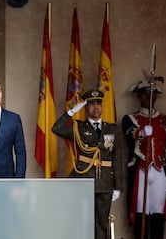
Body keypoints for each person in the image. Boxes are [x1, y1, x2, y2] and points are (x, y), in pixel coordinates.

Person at [52, 89, 122, 239]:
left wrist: (118, 186)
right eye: (91, 104)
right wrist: (72, 111)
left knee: (101, 224)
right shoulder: (78, 127)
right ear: (85, 107)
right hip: (83, 181)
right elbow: (56, 128)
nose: (96, 107)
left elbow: (118, 159)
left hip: (105, 182)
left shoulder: (113, 129)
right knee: (82, 222)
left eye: (98, 103)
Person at [122, 79, 166, 239]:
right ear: (139, 96)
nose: (150, 97)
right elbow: (129, 132)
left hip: (160, 172)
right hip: (140, 170)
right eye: (146, 93)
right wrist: (140, 133)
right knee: (141, 212)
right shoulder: (130, 118)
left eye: (153, 94)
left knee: (157, 213)